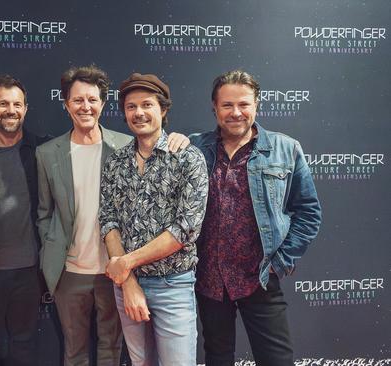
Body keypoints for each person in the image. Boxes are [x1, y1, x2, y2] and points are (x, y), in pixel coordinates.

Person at [36, 65, 189, 366]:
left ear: (103, 104)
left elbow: (159, 143)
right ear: (66, 104)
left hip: (116, 272)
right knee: (73, 351)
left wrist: (179, 138)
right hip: (69, 273)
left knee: (112, 350)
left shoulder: (125, 146)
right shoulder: (47, 153)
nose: (85, 107)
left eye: (92, 100)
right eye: (78, 100)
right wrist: (50, 249)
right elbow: (44, 212)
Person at [190, 70, 322, 366]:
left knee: (276, 360)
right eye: (227, 105)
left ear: (257, 104)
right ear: (214, 107)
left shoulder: (285, 149)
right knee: (217, 357)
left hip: (260, 278)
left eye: (244, 104)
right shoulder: (195, 148)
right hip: (211, 279)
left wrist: (280, 262)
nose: (236, 112)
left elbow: (309, 212)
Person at [99, 73, 208, 366]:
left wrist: (126, 264)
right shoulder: (116, 162)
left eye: (147, 104)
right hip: (127, 285)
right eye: (131, 106)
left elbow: (186, 228)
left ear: (163, 110)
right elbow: (108, 220)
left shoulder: (188, 159)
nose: (139, 113)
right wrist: (128, 280)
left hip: (172, 284)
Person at [0, 75, 50, 366]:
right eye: (3, 103)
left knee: (24, 348)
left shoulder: (41, 151)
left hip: (28, 271)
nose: (11, 110)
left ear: (26, 109)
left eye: (17, 104)